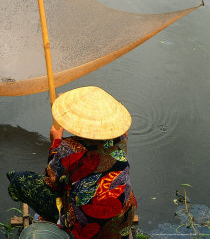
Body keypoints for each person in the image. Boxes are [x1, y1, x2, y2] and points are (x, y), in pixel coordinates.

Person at [7, 86, 137, 238]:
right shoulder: (121, 139)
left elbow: (52, 182)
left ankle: (57, 220)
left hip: (88, 229)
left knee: (19, 180)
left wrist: (55, 142)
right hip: (123, 218)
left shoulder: (69, 149)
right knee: (76, 182)